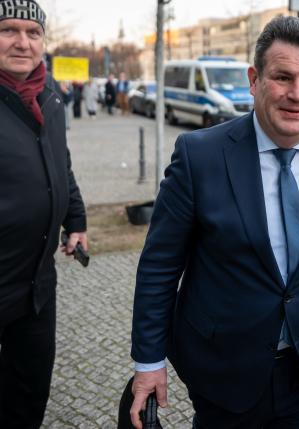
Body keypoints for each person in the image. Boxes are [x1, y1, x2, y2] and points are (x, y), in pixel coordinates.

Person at [129, 16, 299, 429]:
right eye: (282, 77)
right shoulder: (199, 155)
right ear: (254, 79)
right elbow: (160, 266)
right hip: (227, 375)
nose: (297, 94)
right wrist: (149, 362)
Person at [0, 1, 88, 427]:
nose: (22, 42)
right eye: (9, 30)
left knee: (31, 388)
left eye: (33, 33)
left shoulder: (50, 96)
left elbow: (61, 164)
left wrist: (77, 220)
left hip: (38, 284)